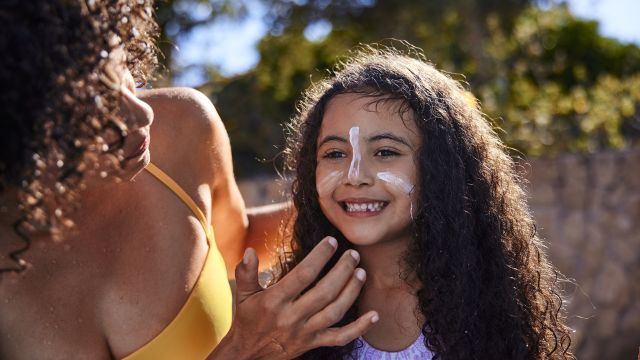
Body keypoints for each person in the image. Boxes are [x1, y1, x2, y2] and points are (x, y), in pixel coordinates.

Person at [0, 1, 378, 359]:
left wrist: (344, 202)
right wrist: (244, 350)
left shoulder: (181, 128)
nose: (142, 114)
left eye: (123, 79)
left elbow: (238, 242)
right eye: (97, 114)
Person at [278, 45, 574, 359]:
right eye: (335, 154)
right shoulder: (293, 308)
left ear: (441, 168)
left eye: (386, 152)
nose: (355, 176)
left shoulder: (491, 295)